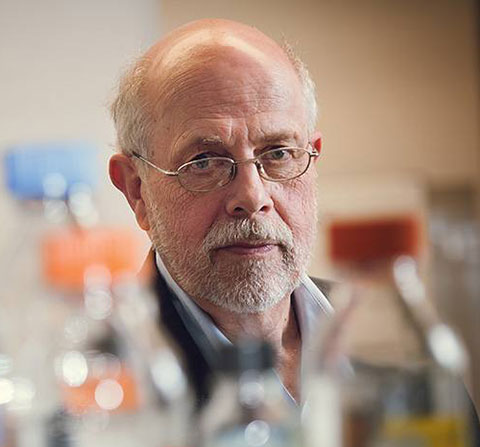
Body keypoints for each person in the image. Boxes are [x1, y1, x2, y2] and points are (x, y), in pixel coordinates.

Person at [108, 18, 331, 408]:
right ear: (136, 189)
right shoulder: (104, 381)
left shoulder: (395, 339)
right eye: (204, 161)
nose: (252, 196)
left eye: (278, 153)